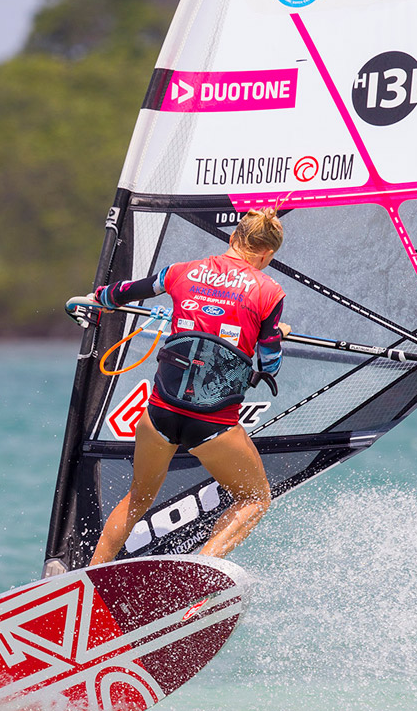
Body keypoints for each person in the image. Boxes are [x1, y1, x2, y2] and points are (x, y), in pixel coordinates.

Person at [88, 207, 290, 565]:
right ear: (266, 254)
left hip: (161, 412)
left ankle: (88, 577)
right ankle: (199, 572)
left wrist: (97, 299)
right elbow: (270, 362)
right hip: (213, 422)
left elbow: (124, 292)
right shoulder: (269, 291)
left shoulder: (180, 272)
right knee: (255, 498)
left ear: (232, 238)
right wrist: (278, 334)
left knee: (138, 497)